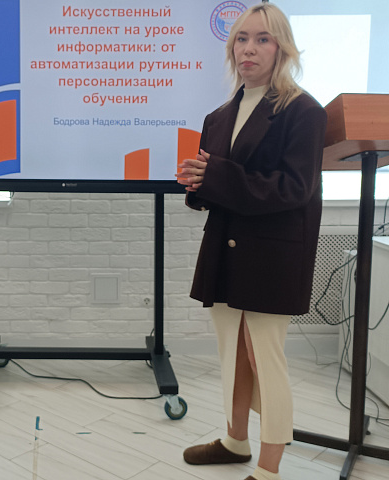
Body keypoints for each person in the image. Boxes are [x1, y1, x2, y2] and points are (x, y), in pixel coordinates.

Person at [176, 3, 327, 480]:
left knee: (265, 357)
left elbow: (294, 189)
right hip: (225, 248)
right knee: (231, 353)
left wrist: (217, 176)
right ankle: (235, 441)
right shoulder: (218, 116)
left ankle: (269, 467)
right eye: (241, 39)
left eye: (262, 39)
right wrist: (198, 185)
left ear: (282, 48)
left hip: (272, 254)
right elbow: (220, 185)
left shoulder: (303, 111)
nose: (249, 48)